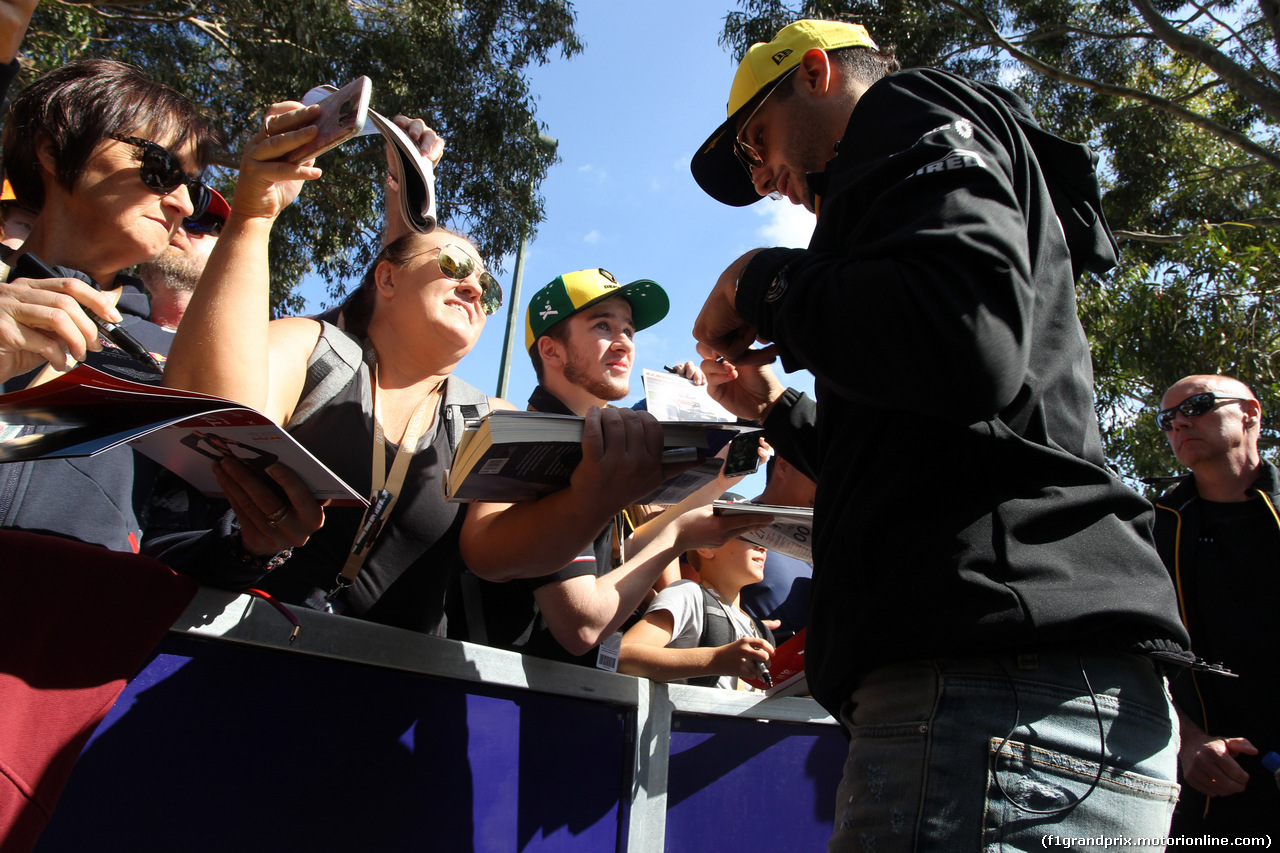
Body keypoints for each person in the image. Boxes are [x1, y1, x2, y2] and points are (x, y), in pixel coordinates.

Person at [688, 19, 1192, 848]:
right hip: (1027, 705)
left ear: (815, 72)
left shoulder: (904, 106)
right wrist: (776, 409)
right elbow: (937, 430)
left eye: (757, 139)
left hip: (997, 701)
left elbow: (964, 336)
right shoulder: (933, 190)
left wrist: (759, 280)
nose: (763, 175)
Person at [161, 106, 758, 634]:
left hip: (398, 699)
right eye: (452, 263)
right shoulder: (312, 350)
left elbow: (494, 554)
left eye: (486, 284)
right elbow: (210, 418)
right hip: (226, 659)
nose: (473, 284)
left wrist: (593, 499)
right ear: (386, 279)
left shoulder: (488, 418)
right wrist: (255, 211)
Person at [0, 59, 315, 565]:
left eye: (191, 183)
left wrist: (245, 546)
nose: (185, 205)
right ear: (55, 148)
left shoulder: (171, 359)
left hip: (67, 627)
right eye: (162, 170)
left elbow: (154, 536)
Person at [465, 268, 768, 665]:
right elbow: (583, 625)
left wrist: (721, 479)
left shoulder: (591, 446)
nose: (624, 343)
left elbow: (618, 562)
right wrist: (675, 537)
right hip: (515, 702)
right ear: (551, 350)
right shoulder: (538, 453)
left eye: (629, 330)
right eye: (603, 325)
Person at [1153, 374, 1280, 834]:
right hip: (1210, 787)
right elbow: (1136, 654)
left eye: (1197, 406)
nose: (1179, 424)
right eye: (1167, 420)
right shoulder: (1150, 533)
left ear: (1250, 413)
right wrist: (1187, 739)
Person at [619, 525, 775, 690]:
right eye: (749, 536)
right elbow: (624, 656)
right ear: (707, 547)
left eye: (763, 538)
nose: (762, 546)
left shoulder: (760, 630)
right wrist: (715, 660)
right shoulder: (687, 594)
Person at [739, 452, 815, 642]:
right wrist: (737, 624)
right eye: (817, 473)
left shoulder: (818, 543)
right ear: (783, 466)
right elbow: (693, 594)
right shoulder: (731, 525)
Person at [136, 188, 228, 330]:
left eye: (199, 223)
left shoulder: (254, 348)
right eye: (165, 217)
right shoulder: (98, 319)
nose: (176, 227)